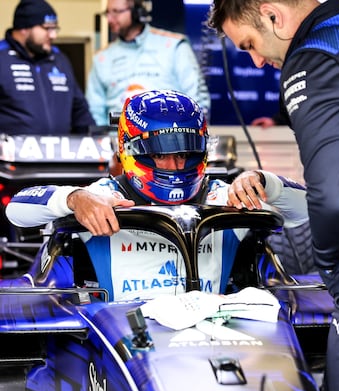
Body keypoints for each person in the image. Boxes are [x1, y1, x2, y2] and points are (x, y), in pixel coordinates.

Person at [208, 0, 339, 391]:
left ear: (273, 14)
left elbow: (335, 197)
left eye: (251, 44)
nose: (257, 61)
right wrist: (271, 186)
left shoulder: (311, 59)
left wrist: (330, 264)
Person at [5, 89, 308, 301]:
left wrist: (263, 182)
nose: (174, 166)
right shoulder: (102, 196)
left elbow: (308, 209)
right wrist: (73, 198)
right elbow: (16, 209)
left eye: (186, 154)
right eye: (160, 155)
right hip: (123, 343)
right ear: (130, 150)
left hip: (215, 335)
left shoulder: (224, 197)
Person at [86, 0, 211, 126]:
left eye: (116, 12)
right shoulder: (101, 58)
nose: (110, 19)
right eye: (107, 13)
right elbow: (94, 113)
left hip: (170, 140)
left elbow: (197, 102)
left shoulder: (173, 46)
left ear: (137, 12)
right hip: (117, 141)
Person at [0, 0, 95, 135]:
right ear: (24, 28)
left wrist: (96, 142)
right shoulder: (2, 58)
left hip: (60, 154)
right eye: (47, 28)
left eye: (55, 28)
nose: (53, 35)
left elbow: (80, 112)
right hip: (10, 155)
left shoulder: (60, 60)